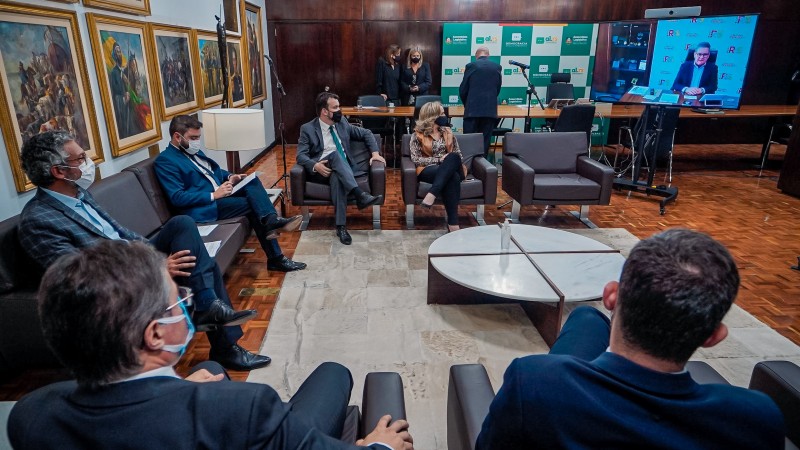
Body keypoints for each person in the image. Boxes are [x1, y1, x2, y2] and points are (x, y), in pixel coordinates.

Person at [8, 240, 415, 450]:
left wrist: (177, 393)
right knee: (333, 372)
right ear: (155, 334)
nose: (187, 307)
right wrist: (379, 445)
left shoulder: (31, 413)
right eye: (179, 301)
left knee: (214, 370)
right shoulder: (245, 409)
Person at [475, 229, 785, 449]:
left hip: (564, 393)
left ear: (611, 296)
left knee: (585, 320)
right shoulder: (756, 418)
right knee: (586, 318)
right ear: (713, 336)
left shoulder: (534, 382)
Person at [18, 131, 270, 371]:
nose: (88, 163)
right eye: (81, 158)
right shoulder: (38, 221)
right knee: (204, 265)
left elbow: (121, 233)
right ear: (59, 171)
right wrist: (153, 268)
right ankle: (223, 343)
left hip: (137, 256)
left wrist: (153, 257)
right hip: (121, 279)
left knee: (182, 224)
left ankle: (207, 308)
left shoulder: (80, 194)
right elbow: (79, 277)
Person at [154, 115, 306, 272]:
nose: (197, 142)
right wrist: (214, 195)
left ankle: (271, 221)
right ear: (177, 137)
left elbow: (213, 171)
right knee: (252, 205)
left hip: (221, 194)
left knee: (251, 181)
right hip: (206, 206)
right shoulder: (166, 161)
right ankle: (276, 256)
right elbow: (177, 197)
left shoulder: (192, 151)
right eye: (193, 138)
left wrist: (230, 176)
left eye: (198, 137)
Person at [296, 92, 385, 245]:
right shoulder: (308, 129)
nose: (340, 111)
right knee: (334, 155)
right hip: (322, 170)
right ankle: (359, 194)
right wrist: (315, 165)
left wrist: (375, 154)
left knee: (337, 177)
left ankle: (341, 227)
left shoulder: (342, 122)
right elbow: (300, 156)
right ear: (325, 111)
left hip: (343, 170)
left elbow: (367, 133)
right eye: (335, 108)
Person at [410, 101, 465, 232]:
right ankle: (453, 224)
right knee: (453, 177)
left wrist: (447, 160)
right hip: (429, 169)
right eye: (441, 113)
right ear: (432, 116)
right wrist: (438, 160)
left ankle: (432, 193)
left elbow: (459, 156)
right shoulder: (417, 135)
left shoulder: (448, 132)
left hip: (453, 166)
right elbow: (416, 159)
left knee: (453, 156)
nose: (444, 116)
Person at [459, 46, 502, 158]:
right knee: (484, 144)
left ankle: (469, 165)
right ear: (488, 55)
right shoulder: (497, 67)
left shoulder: (471, 66)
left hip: (472, 111)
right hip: (490, 111)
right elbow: (497, 89)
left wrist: (467, 104)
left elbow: (463, 89)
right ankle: (483, 166)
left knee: (469, 142)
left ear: (476, 56)